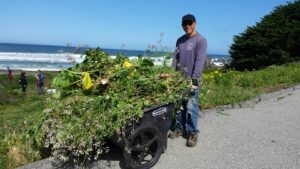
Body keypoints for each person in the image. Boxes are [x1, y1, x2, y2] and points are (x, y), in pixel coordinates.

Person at [169, 14, 207, 147]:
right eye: (185, 23)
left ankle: (192, 133)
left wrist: (194, 80)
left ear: (195, 23)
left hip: (193, 79)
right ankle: (179, 129)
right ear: (182, 25)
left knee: (191, 107)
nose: (187, 26)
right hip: (179, 79)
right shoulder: (180, 40)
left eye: (190, 23)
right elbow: (175, 59)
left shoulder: (201, 40)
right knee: (179, 106)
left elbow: (199, 61)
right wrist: (172, 75)